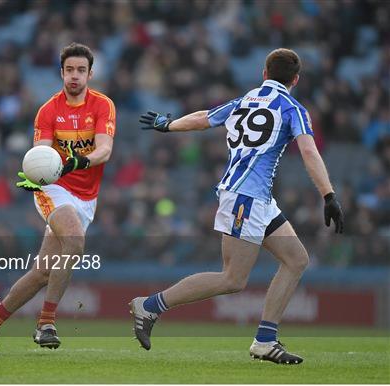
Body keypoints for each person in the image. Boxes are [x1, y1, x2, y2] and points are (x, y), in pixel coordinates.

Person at [131, 48, 344, 364]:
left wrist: (169, 124)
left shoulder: (245, 100)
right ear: (295, 80)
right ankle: (150, 305)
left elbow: (204, 118)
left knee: (297, 259)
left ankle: (265, 339)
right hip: (246, 197)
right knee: (232, 279)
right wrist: (328, 195)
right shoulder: (293, 108)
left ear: (264, 73)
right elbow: (310, 153)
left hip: (256, 198)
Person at [0, 42, 116, 353]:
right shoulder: (49, 110)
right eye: (69, 70)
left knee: (42, 273)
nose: (75, 76)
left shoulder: (103, 105)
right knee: (75, 240)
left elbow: (105, 150)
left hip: (86, 197)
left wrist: (80, 161)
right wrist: (37, 177)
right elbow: (42, 156)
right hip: (54, 189)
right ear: (61, 73)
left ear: (90, 74)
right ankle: (46, 323)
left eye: (81, 70)